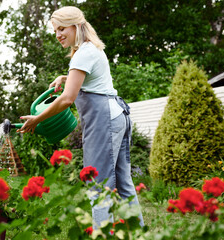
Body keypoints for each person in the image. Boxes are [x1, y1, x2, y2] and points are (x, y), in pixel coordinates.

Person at [17, 6, 144, 228]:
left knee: (98, 184)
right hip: (116, 116)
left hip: (104, 120)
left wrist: (38, 120)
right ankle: (138, 232)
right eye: (55, 30)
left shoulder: (84, 53)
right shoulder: (90, 49)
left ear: (76, 26)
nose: (58, 35)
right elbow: (91, 81)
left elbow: (67, 99)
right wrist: (64, 77)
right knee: (123, 183)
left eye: (62, 28)